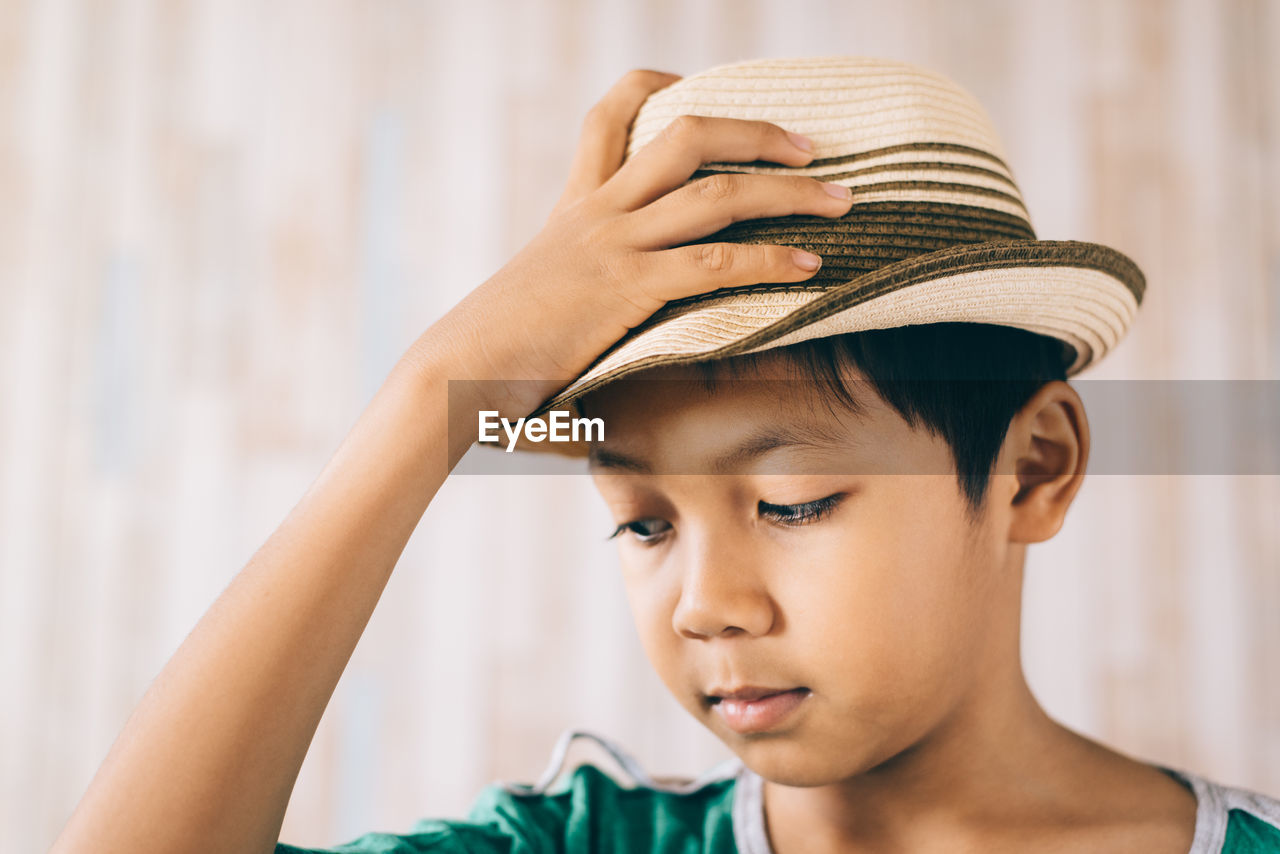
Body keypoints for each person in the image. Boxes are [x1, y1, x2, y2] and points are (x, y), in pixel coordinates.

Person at [51, 57, 1280, 854]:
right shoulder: (577, 842)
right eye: (643, 520)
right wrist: (432, 394)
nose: (705, 603)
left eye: (790, 500)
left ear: (1031, 466)